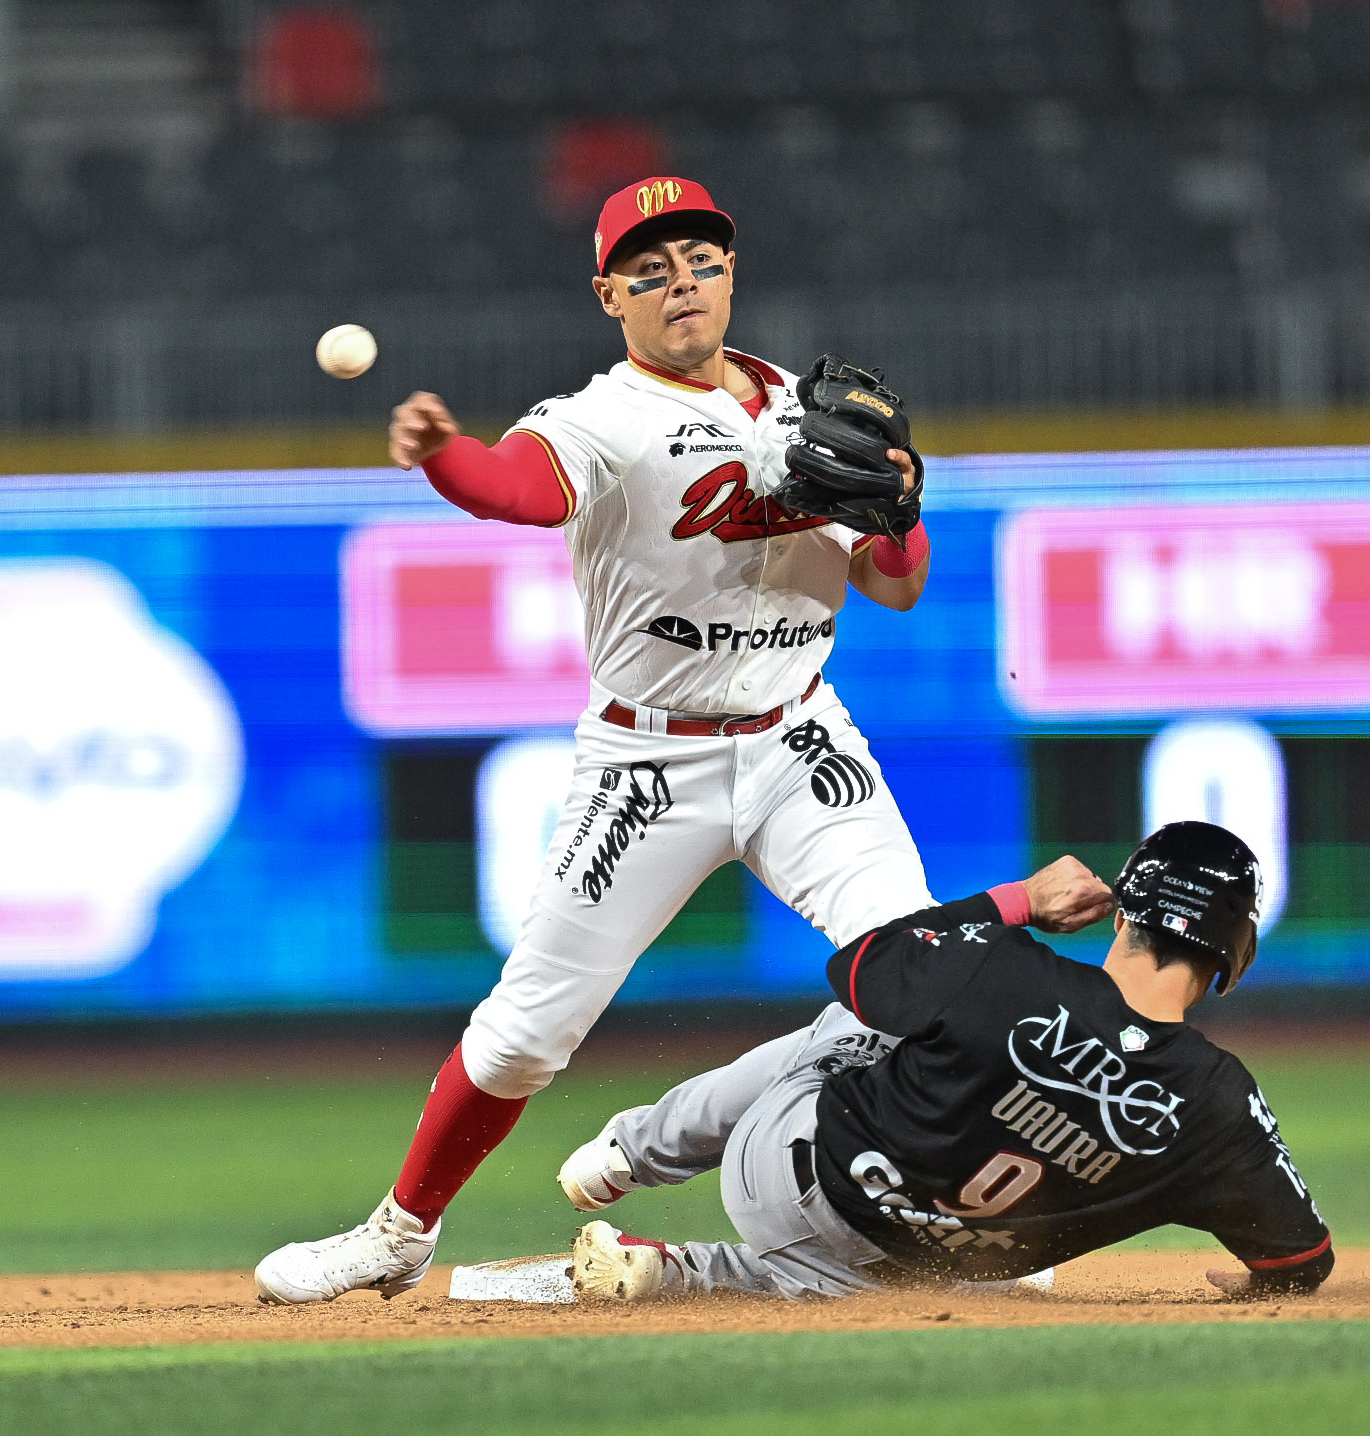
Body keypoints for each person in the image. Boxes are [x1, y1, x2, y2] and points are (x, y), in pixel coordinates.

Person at [254, 176, 936, 1303]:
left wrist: (903, 510)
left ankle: (946, 1214)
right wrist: (443, 452)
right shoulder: (597, 418)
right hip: (649, 761)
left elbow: (895, 587)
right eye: (652, 270)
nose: (683, 286)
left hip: (799, 739)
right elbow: (514, 489)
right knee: (527, 1032)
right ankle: (399, 1229)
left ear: (730, 278)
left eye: (702, 263)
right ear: (608, 293)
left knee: (923, 978)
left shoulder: (801, 407)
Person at [557, 822, 1335, 1304]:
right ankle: (683, 1272)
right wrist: (1263, 1282)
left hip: (787, 1176)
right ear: (1236, 950)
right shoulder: (1221, 1107)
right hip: (923, 1259)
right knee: (927, 1277)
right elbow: (1302, 1258)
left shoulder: (1009, 970)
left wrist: (1019, 901)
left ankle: (631, 1152)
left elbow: (864, 960)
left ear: (1127, 909)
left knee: (859, 1021)